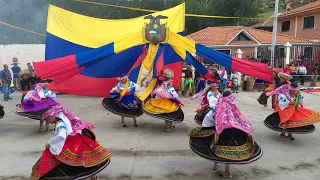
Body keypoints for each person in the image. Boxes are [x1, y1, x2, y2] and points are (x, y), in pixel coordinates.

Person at [188, 91, 262, 178]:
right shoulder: (233, 108)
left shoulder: (218, 107)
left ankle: (217, 166)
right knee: (226, 153)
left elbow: (209, 118)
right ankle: (227, 171)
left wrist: (209, 127)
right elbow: (240, 119)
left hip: (222, 132)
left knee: (216, 148)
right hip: (234, 132)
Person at [31, 105, 112, 180]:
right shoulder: (64, 119)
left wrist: (50, 143)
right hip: (78, 139)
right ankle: (93, 176)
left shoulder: (60, 124)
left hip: (72, 142)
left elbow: (61, 136)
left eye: (47, 118)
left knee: (74, 160)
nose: (47, 121)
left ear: (52, 116)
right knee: (87, 159)